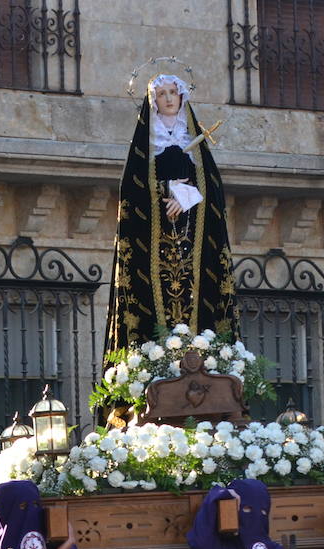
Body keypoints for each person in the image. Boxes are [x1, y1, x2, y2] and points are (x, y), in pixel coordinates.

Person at [104, 73, 236, 359]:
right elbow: (131, 190)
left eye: (172, 92)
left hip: (193, 243)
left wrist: (186, 197)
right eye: (161, 93)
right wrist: (167, 189)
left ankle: (205, 355)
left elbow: (212, 188)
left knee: (198, 295)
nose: (167, 98)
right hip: (153, 241)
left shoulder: (195, 144)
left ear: (181, 97)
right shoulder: (146, 145)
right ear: (153, 100)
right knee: (153, 299)